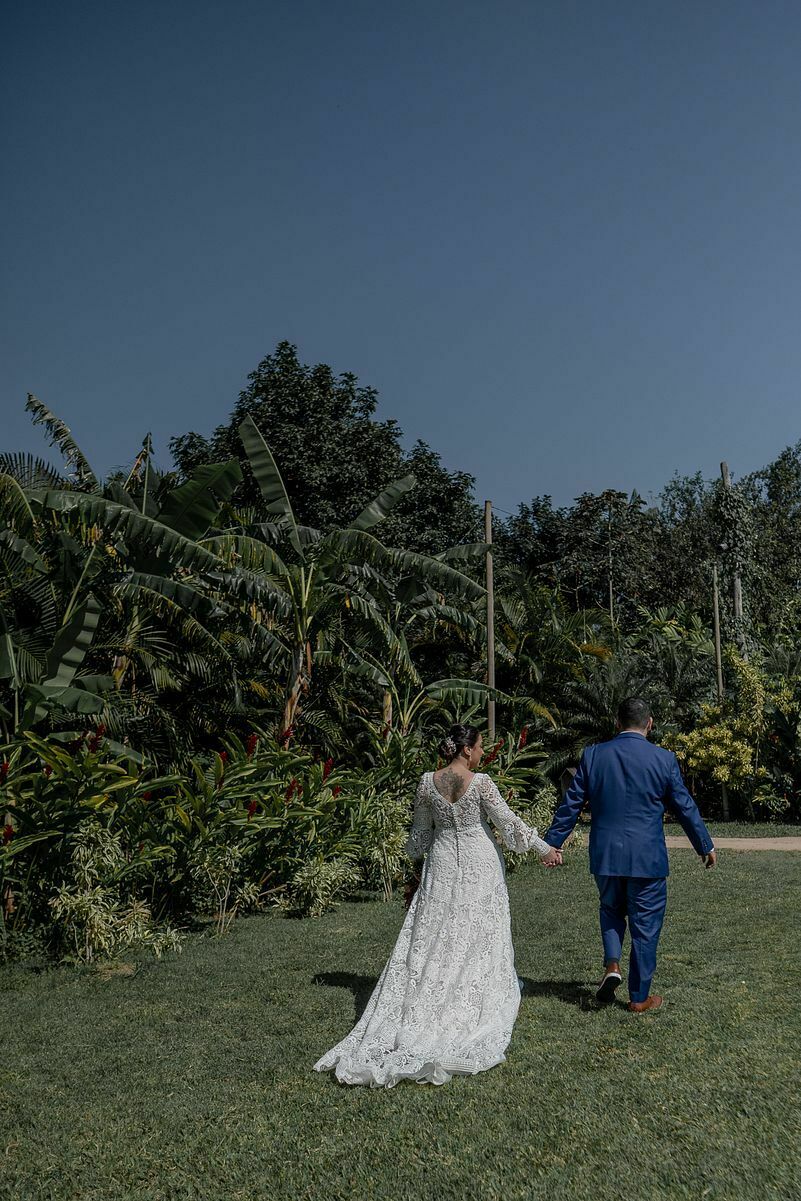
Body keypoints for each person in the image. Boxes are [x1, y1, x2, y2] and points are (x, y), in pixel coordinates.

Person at [314, 724, 559, 1086]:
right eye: (478, 748)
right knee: (476, 932)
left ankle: (430, 998)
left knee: (435, 934)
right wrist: (544, 849)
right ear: (465, 750)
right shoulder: (481, 783)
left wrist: (413, 863)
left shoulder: (427, 783)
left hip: (442, 863)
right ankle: (469, 998)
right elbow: (510, 825)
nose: (480, 753)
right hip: (479, 863)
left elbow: (419, 837)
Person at [543, 697, 716, 1012]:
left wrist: (553, 842)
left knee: (610, 909)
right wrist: (704, 844)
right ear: (649, 723)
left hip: (605, 855)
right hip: (646, 858)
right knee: (645, 925)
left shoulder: (594, 756)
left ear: (617, 723)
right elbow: (684, 806)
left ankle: (612, 965)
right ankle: (638, 998)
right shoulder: (663, 759)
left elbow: (571, 803)